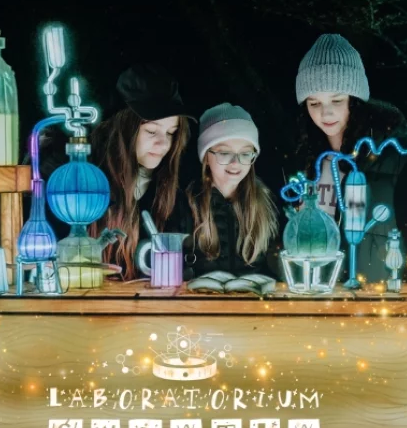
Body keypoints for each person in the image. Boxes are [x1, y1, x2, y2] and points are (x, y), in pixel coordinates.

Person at [38, 63, 194, 280]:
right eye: (151, 131)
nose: (164, 143)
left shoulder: (169, 194)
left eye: (171, 133)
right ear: (123, 127)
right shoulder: (81, 183)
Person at [292, 34, 407, 286]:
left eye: (337, 100)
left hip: (376, 290)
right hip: (316, 289)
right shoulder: (305, 158)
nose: (325, 113)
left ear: (354, 100)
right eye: (314, 103)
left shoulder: (390, 153)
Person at [184, 103, 280, 277]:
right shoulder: (186, 205)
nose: (235, 163)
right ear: (206, 156)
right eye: (224, 153)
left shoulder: (265, 204)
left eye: (245, 154)